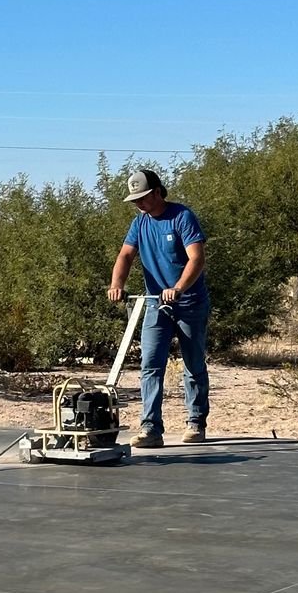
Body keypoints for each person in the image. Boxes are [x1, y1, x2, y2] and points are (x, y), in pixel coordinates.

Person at [107, 169, 210, 448]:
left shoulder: (182, 217)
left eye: (142, 197)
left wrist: (178, 288)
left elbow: (196, 259)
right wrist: (117, 283)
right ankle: (151, 428)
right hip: (156, 304)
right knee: (150, 365)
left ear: (156, 192)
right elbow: (125, 255)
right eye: (134, 200)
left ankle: (196, 422)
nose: (138, 204)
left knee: (193, 364)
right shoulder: (139, 223)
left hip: (189, 303)